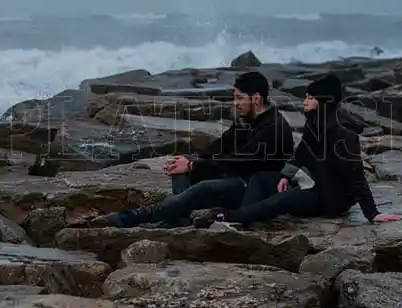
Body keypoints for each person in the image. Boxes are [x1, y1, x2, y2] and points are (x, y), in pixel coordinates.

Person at [194, 73, 402, 228]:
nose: (304, 101)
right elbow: (301, 152)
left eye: (310, 98)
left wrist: (372, 213)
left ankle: (228, 218)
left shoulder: (343, 134)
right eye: (305, 96)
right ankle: (242, 220)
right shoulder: (314, 123)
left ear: (323, 102)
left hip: (330, 198)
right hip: (313, 182)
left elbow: (357, 174)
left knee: (283, 200)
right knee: (261, 178)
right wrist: (286, 175)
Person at [99, 71, 295, 228]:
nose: (235, 103)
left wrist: (195, 165)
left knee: (203, 187)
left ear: (257, 99)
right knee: (181, 163)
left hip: (251, 186)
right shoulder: (247, 119)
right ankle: (179, 217)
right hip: (232, 173)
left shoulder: (273, 127)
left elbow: (239, 161)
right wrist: (191, 160)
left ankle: (133, 218)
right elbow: (222, 145)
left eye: (240, 98)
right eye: (234, 97)